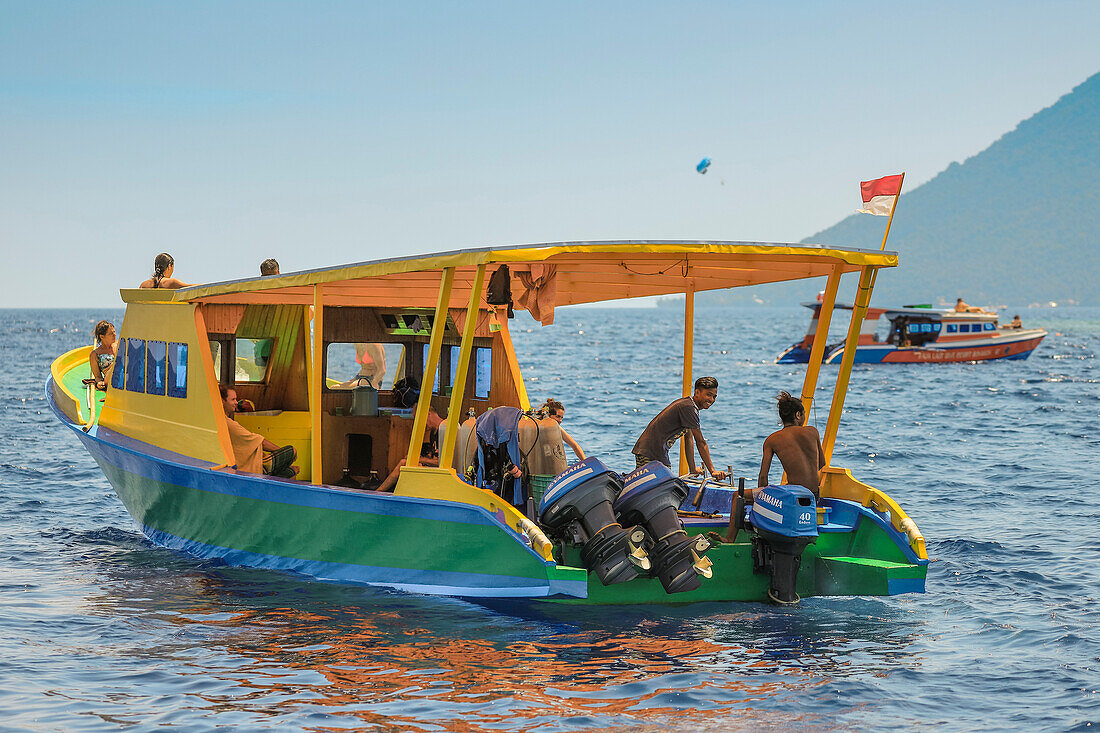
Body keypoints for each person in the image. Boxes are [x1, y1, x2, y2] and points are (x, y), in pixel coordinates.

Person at [632, 377, 727, 481]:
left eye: (714, 397)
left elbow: (689, 439)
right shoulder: (689, 407)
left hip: (655, 452)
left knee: (662, 484)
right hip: (650, 453)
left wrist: (692, 470)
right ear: (697, 392)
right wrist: (713, 471)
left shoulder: (690, 406)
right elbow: (700, 442)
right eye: (708, 395)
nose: (712, 400)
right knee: (657, 486)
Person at [220, 386, 299, 478]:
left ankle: (269, 470)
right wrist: (283, 454)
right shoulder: (229, 424)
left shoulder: (221, 421)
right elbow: (261, 443)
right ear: (222, 401)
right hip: (249, 469)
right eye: (233, 399)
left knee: (291, 471)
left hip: (242, 465)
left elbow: (252, 444)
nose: (236, 402)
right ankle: (266, 467)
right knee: (291, 451)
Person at [757, 391, 825, 496]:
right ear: (798, 415)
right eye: (804, 414)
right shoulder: (812, 431)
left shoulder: (771, 439)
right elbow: (821, 463)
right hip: (813, 496)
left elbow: (763, 477)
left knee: (737, 495)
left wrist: (761, 498)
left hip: (793, 496)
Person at [377, 405, 446, 492]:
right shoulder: (433, 432)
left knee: (404, 463)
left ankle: (379, 491)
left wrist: (419, 459)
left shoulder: (444, 430)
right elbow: (434, 457)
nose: (420, 424)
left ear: (428, 414)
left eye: (418, 419)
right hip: (435, 468)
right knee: (407, 462)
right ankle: (383, 491)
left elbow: (441, 462)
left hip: (444, 472)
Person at [88, 320, 118, 391]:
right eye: (111, 333)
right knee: (117, 363)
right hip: (110, 378)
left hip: (124, 373)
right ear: (102, 336)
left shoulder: (119, 344)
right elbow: (98, 376)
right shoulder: (95, 354)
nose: (115, 334)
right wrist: (99, 383)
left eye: (114, 332)